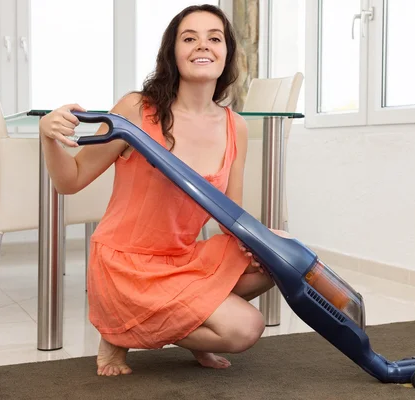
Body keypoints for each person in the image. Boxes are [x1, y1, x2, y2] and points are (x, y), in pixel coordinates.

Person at [38, 4, 280, 376]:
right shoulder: (137, 109)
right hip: (126, 265)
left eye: (214, 38)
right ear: (173, 53)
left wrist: (268, 248)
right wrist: (48, 136)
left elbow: (231, 219)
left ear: (227, 52)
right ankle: (122, 331)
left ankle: (169, 320)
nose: (203, 46)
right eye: (189, 38)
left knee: (282, 252)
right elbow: (69, 180)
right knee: (245, 328)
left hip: (181, 260)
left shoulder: (236, 127)